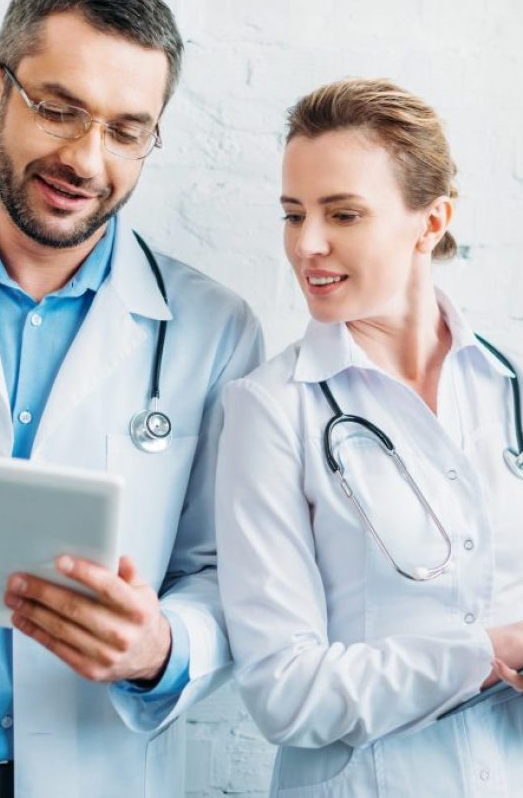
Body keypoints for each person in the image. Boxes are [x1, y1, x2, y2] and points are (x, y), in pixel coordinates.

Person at [0, 0, 263, 798]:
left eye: (128, 130)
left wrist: (162, 647)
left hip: (101, 762)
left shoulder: (212, 330)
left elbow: (228, 575)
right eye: (59, 109)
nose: (87, 159)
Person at [216, 78, 523, 797]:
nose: (307, 245)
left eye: (342, 213)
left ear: (431, 221)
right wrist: (486, 654)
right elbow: (284, 690)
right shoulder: (272, 410)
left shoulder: (507, 388)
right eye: (294, 215)